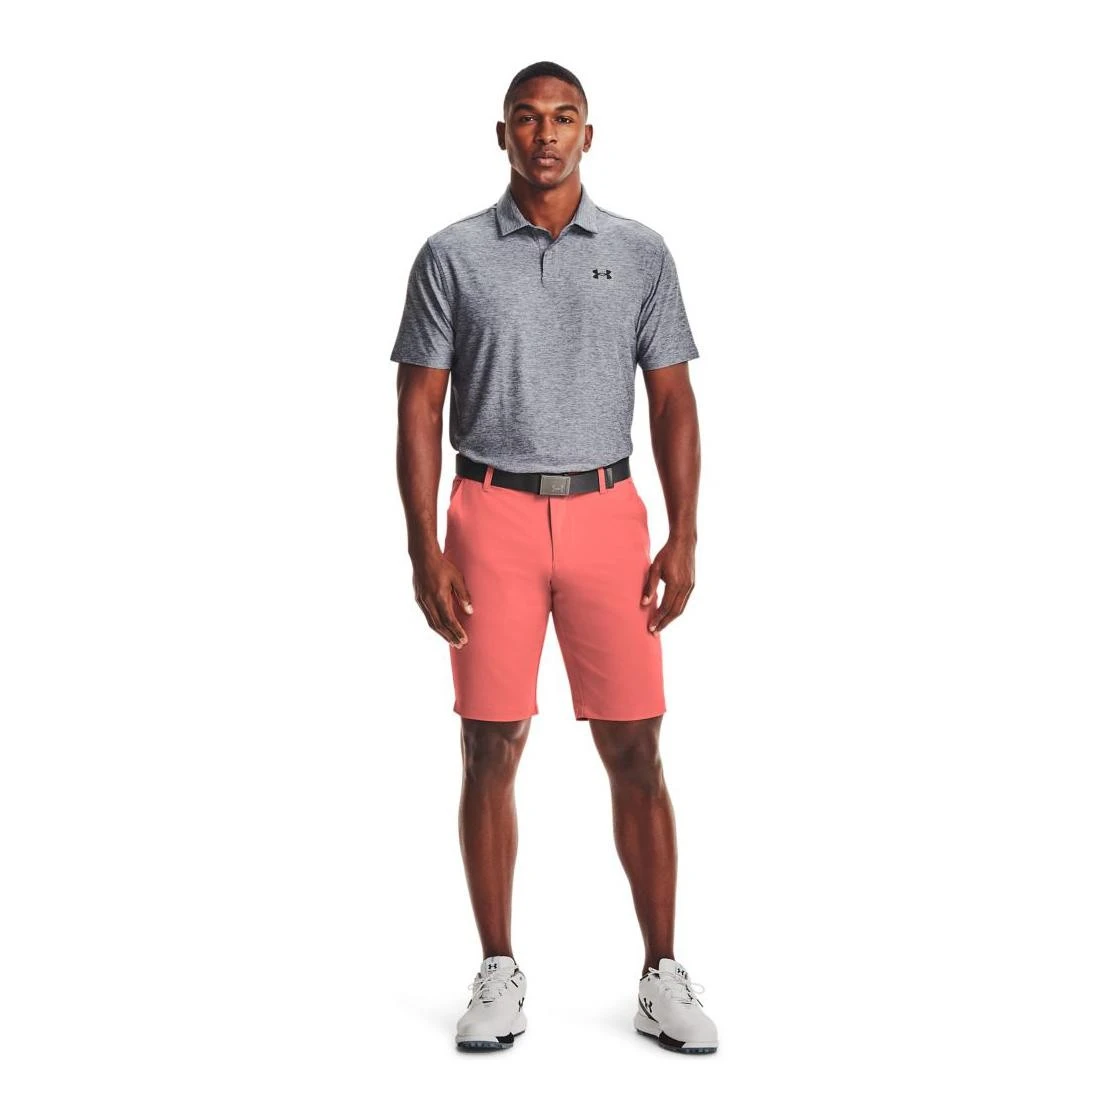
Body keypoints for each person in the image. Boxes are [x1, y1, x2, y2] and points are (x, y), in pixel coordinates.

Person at [390, 60, 718, 1055]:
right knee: (489, 743)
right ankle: (497, 967)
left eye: (563, 117)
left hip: (607, 512)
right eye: (527, 119)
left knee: (635, 745)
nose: (545, 134)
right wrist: (422, 546)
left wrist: (683, 531)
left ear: (588, 133)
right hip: (487, 512)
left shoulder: (639, 251)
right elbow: (418, 405)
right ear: (502, 135)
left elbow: (671, 396)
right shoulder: (451, 255)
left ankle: (661, 972)